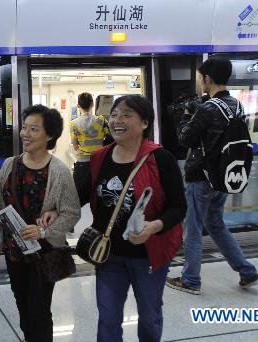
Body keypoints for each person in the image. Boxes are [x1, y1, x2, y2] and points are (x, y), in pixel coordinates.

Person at [77, 95, 186, 342]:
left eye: (127, 115)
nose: (118, 120)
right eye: (114, 115)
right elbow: (79, 195)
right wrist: (53, 210)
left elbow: (179, 207)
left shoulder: (160, 159)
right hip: (108, 256)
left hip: (148, 255)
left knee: (149, 316)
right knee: (108, 319)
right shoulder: (100, 158)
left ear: (144, 123)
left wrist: (154, 226)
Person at [166, 57, 258, 295]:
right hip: (224, 175)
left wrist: (184, 115)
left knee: (194, 228)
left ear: (208, 79)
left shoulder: (208, 108)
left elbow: (185, 138)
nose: (201, 83)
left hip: (202, 176)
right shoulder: (237, 105)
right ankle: (247, 271)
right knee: (216, 225)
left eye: (201, 79)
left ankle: (190, 279)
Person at [0, 105, 80, 342]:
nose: (26, 134)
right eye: (25, 128)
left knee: (38, 310)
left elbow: (71, 213)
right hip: (14, 250)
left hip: (44, 253)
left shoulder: (59, 171)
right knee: (23, 307)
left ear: (49, 135)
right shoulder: (11, 164)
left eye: (34, 129)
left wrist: (43, 230)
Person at [70, 92, 110, 197]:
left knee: (79, 196)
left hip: (82, 164)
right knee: (100, 194)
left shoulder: (74, 124)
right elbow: (110, 138)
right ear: (92, 104)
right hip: (99, 162)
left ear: (78, 105)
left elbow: (75, 146)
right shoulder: (101, 120)